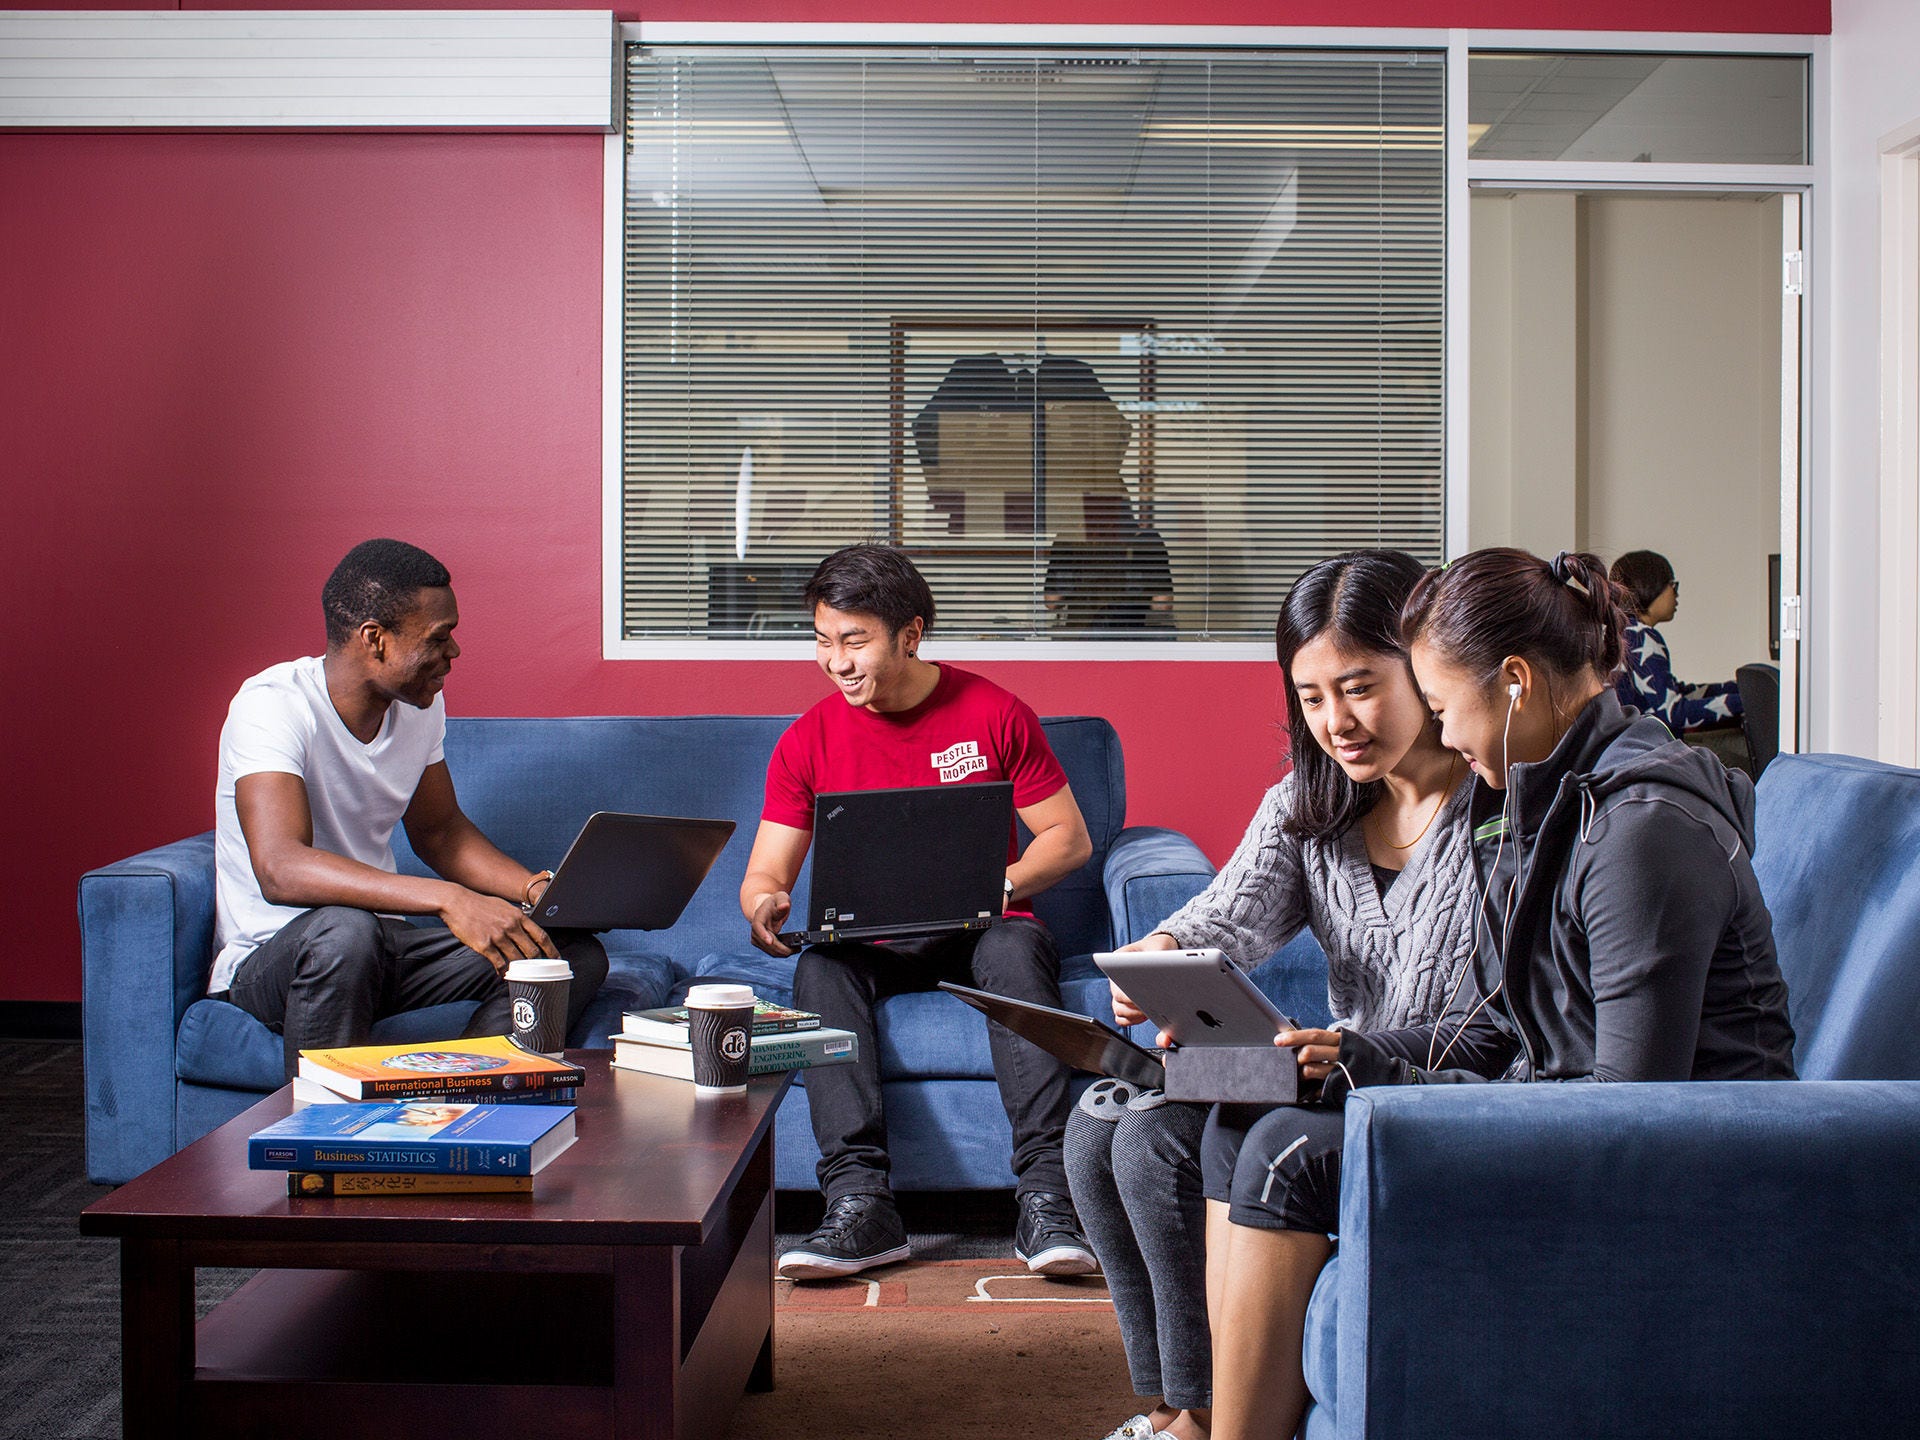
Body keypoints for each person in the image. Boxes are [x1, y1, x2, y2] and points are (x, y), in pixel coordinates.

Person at [1201, 548, 1796, 1440]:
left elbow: (1631, 1110)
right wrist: (1354, 1058)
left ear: (1514, 683)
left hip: (1682, 1170)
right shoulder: (1538, 801)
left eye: (1443, 709)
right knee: (1249, 1109)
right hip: (1559, 1114)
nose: (1447, 735)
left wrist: (1398, 1090)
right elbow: (1498, 1023)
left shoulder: (1639, 831)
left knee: (1291, 1154)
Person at [1065, 550, 1480, 1440]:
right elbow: (1229, 914)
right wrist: (1164, 952)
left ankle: (1212, 1416)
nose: (1338, 721)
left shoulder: (1496, 807)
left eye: (1361, 687)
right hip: (1319, 1069)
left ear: (1427, 664)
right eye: (1312, 697)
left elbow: (1495, 1025)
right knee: (1098, 1125)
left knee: (1151, 1141)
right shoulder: (1312, 800)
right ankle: (1180, 1403)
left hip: (1405, 1085)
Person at [741, 544, 1099, 1281]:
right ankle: (860, 1206)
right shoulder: (808, 738)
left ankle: (1048, 1200)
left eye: (854, 640)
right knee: (821, 966)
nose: (836, 661)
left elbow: (1068, 840)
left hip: (983, 926)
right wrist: (763, 903)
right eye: (822, 640)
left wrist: (993, 888)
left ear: (911, 634)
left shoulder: (994, 712)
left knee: (1013, 949)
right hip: (870, 939)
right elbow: (766, 872)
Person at [213, 539, 609, 1079]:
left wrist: (533, 892)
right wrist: (450, 899)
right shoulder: (270, 705)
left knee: (560, 955)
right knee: (345, 932)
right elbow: (281, 868)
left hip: (380, 948)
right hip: (278, 956)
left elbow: (441, 833)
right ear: (375, 639)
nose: (455, 652)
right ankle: (325, 1143)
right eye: (438, 637)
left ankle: (462, 1086)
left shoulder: (418, 705)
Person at [1609, 549, 1743, 734]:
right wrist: (1742, 702)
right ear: (1649, 586)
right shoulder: (1642, 637)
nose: (1676, 594)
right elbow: (1672, 713)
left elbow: (1671, 694)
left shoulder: (1621, 632)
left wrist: (1734, 689)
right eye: (1672, 585)